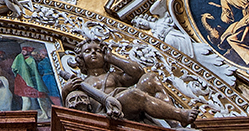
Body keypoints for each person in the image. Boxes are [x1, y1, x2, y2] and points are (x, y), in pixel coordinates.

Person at [61, 37, 197, 126]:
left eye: (98, 51)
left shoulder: (113, 76)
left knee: (150, 78)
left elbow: (137, 72)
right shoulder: (81, 82)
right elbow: (73, 108)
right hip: (104, 111)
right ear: (81, 58)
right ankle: (181, 115)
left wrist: (112, 58)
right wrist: (66, 90)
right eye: (88, 51)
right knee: (134, 94)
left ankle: (175, 124)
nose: (93, 53)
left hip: (122, 103)